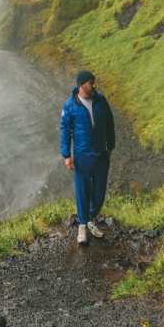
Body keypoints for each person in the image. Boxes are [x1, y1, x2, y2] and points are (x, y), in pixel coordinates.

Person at [60, 69, 115, 246]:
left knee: (99, 193)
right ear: (81, 85)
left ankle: (90, 217)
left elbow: (109, 122)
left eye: (93, 82)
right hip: (82, 156)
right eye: (91, 82)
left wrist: (110, 146)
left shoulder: (101, 100)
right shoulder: (70, 105)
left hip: (101, 155)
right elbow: (65, 131)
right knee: (83, 191)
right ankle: (82, 226)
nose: (94, 85)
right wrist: (67, 155)